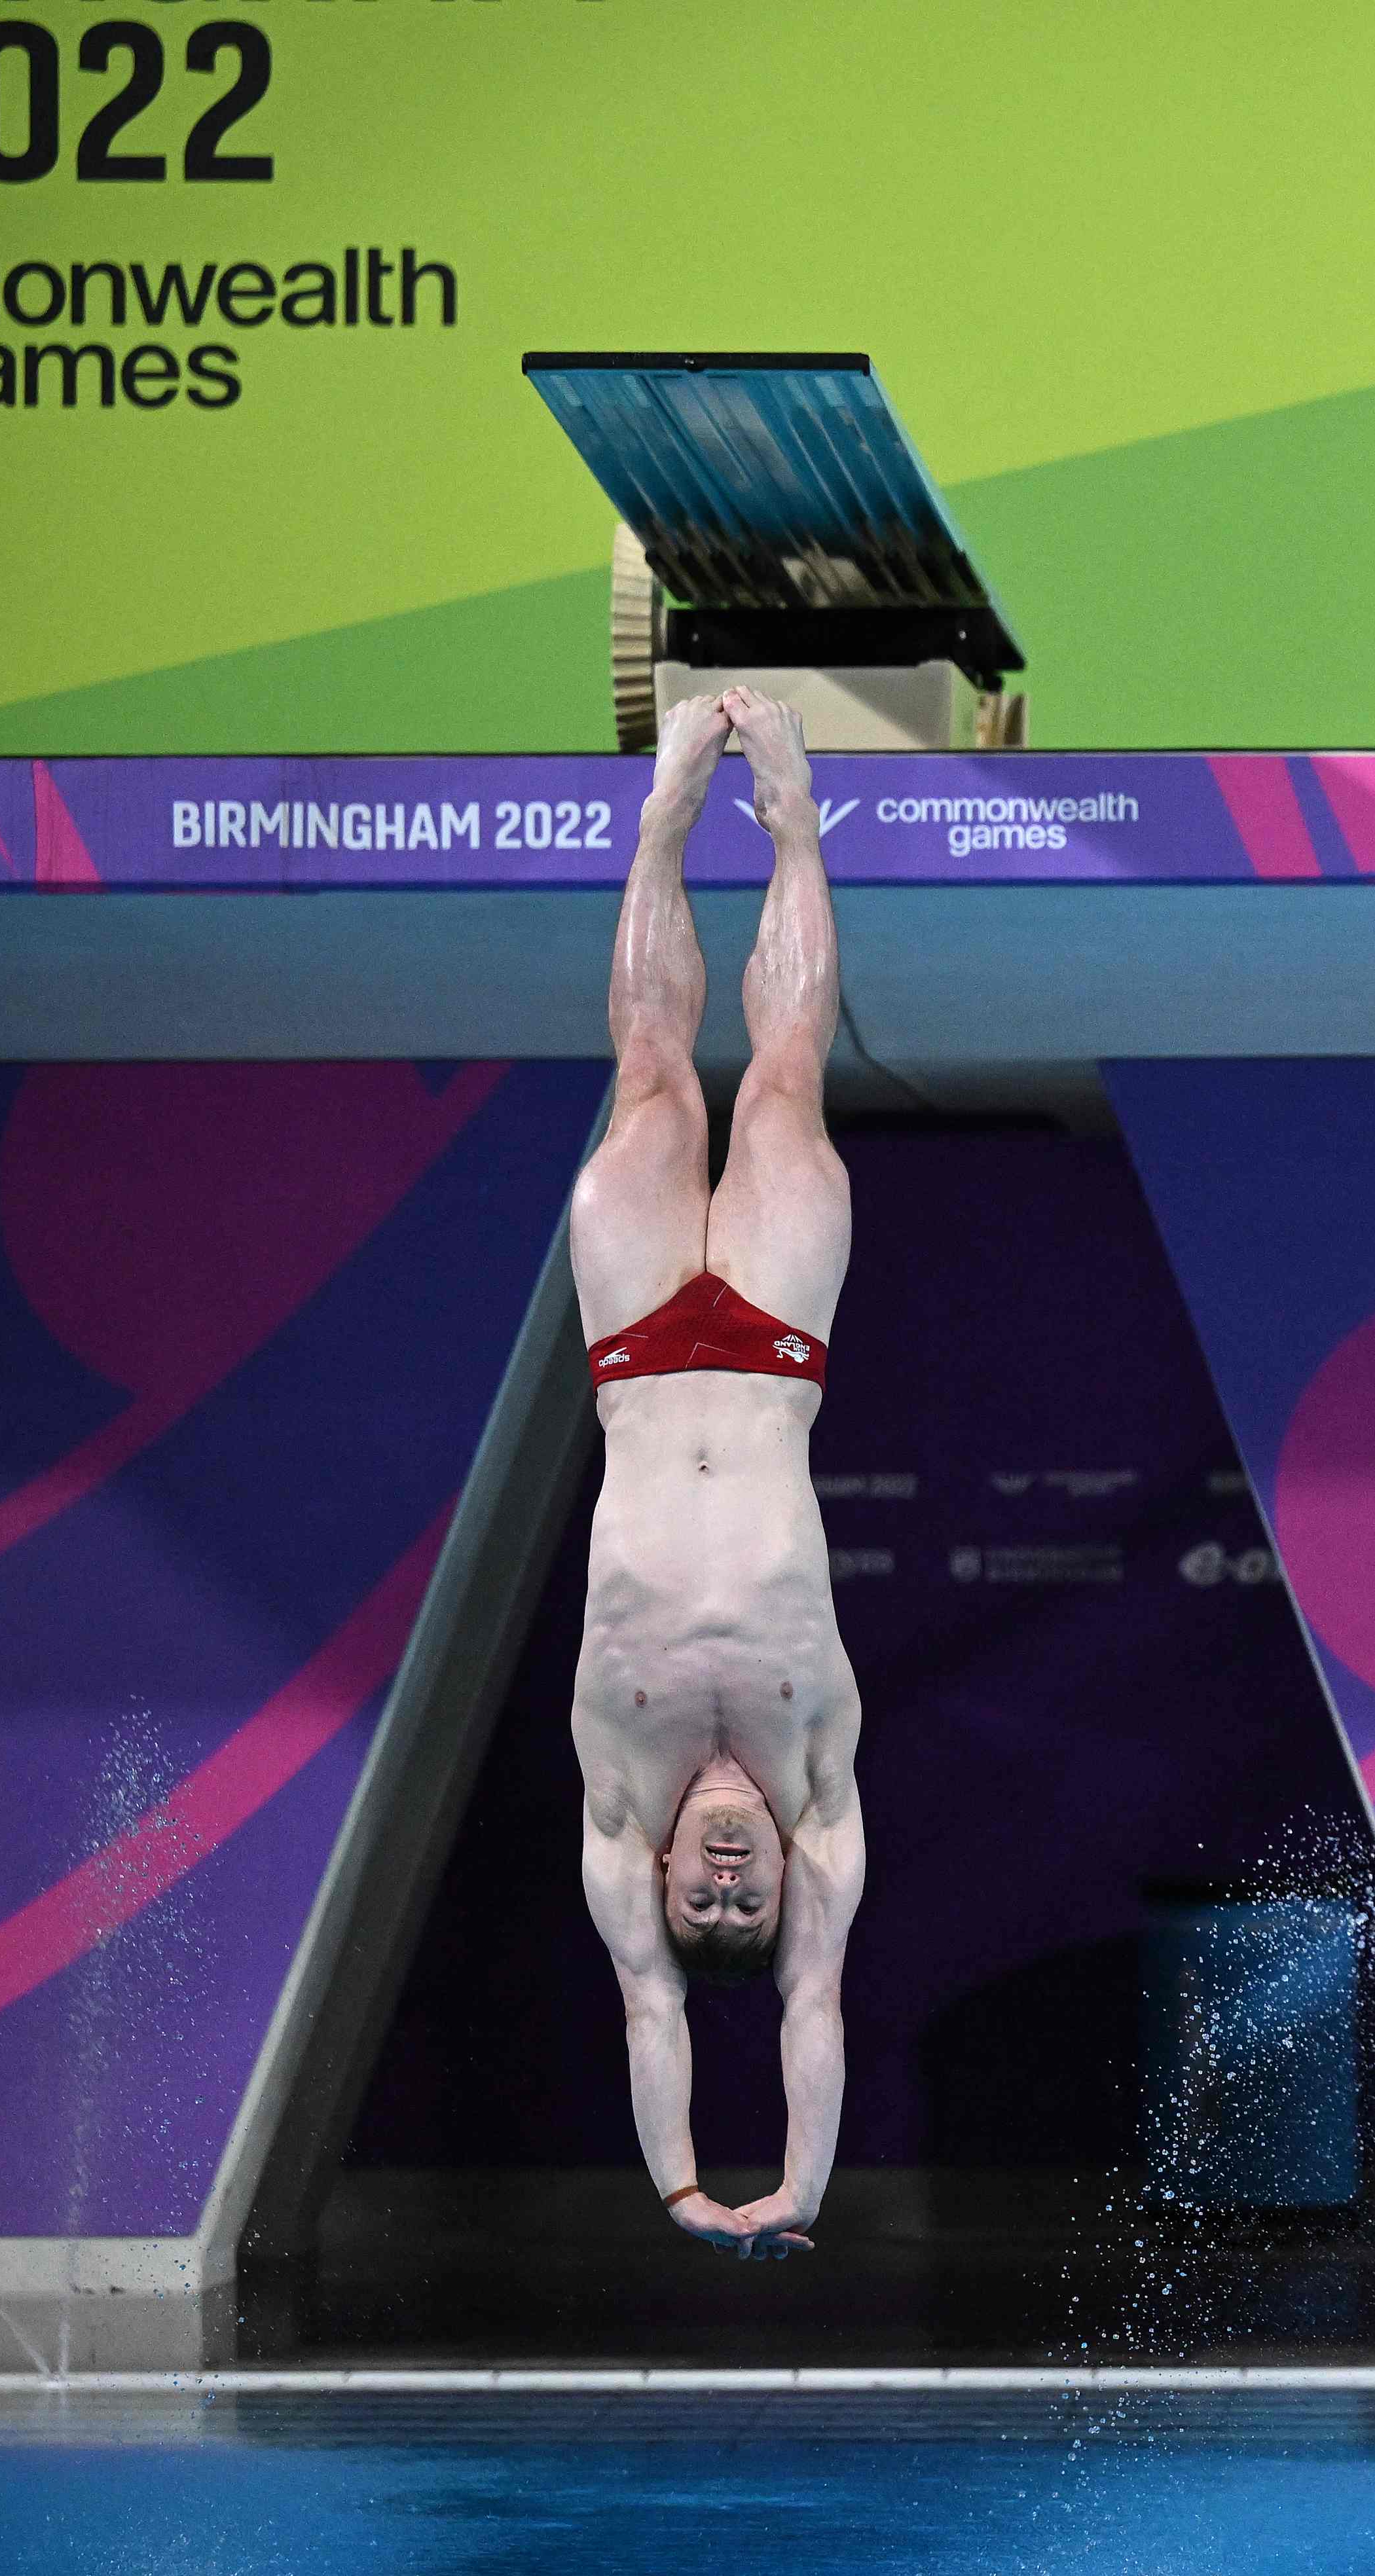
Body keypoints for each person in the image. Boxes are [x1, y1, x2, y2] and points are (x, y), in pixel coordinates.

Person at [569, 685, 867, 2255]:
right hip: (770, 1355)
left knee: (652, 1072)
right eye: (751, 1906)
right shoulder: (819, 1794)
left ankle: (671, 818)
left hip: (631, 1351)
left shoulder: (619, 1802)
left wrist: (683, 2184)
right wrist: (795, 2190)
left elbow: (647, 2006)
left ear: (669, 1878)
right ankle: (797, 820)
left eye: (713, 1907)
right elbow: (809, 1995)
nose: (739, 1889)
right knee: (785, 1077)